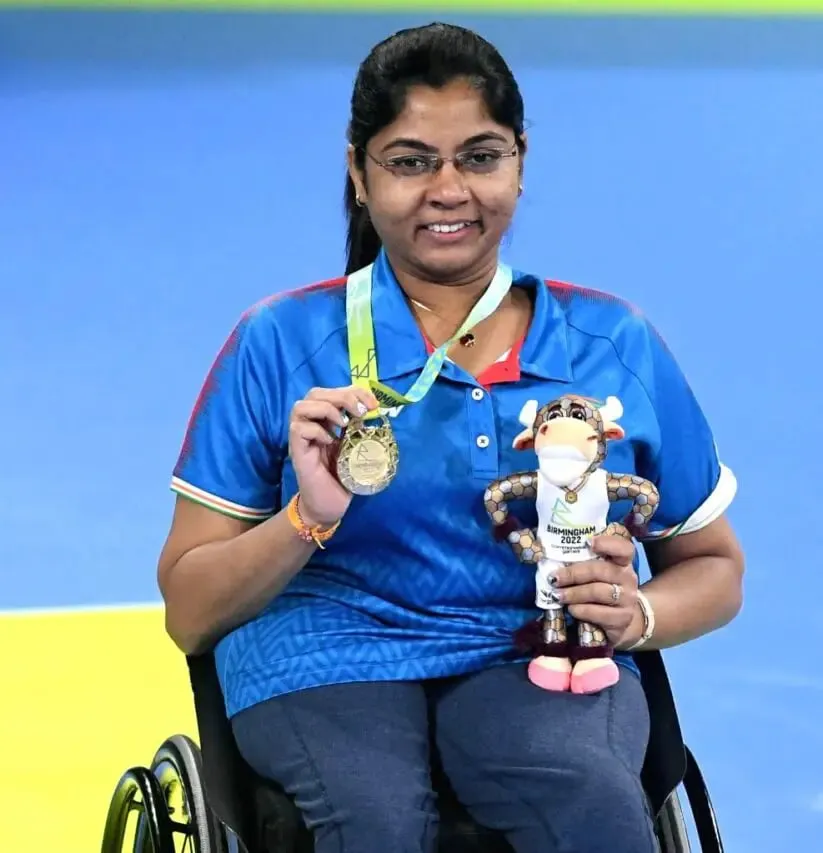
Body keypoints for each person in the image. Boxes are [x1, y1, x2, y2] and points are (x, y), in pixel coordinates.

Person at [158, 21, 744, 853]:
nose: (447, 189)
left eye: (479, 156)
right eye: (408, 161)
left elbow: (715, 567)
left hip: (529, 648)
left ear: (519, 160)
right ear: (357, 172)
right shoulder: (279, 342)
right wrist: (305, 519)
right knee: (374, 823)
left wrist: (637, 610)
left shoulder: (610, 343)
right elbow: (188, 611)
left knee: (591, 803)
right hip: (326, 647)